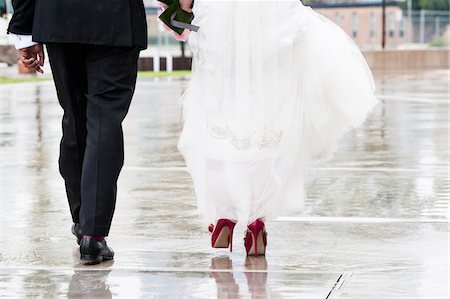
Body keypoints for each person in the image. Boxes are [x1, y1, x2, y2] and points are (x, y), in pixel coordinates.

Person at [161, 0, 378, 256]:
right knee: (267, 115)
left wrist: (181, 8)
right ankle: (256, 223)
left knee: (218, 109)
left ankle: (224, 218)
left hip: (219, 16)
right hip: (273, 14)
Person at [8, 0, 147, 264]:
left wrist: (24, 29)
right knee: (104, 120)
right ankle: (93, 235)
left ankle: (83, 222)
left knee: (74, 117)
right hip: (116, 18)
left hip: (58, 16)